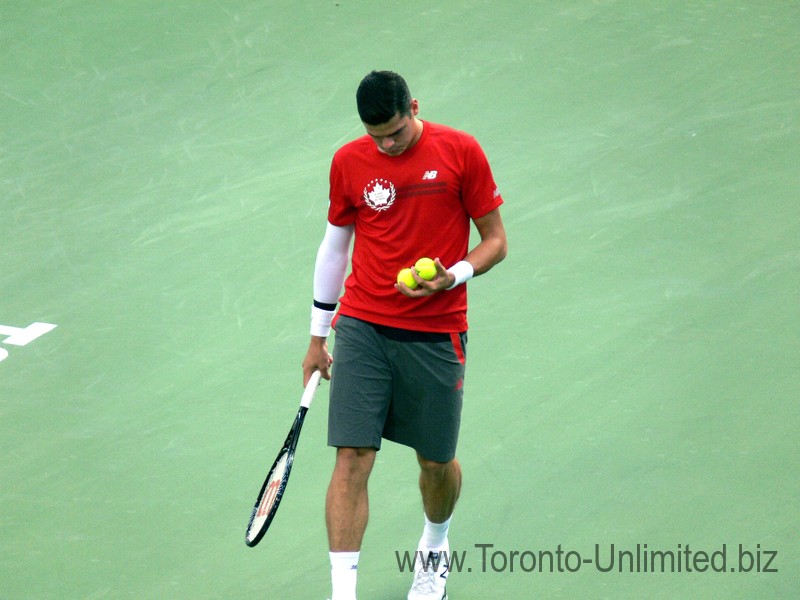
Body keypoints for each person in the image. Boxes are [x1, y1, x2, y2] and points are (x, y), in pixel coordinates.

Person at [301, 70, 507, 600]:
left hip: (436, 331)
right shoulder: (349, 161)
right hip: (364, 324)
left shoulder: (461, 151)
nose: (387, 145)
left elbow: (495, 241)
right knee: (351, 457)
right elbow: (334, 248)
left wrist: (453, 275)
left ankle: (434, 547)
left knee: (436, 463)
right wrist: (317, 337)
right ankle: (341, 593)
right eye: (377, 137)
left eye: (395, 132)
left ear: (414, 107)